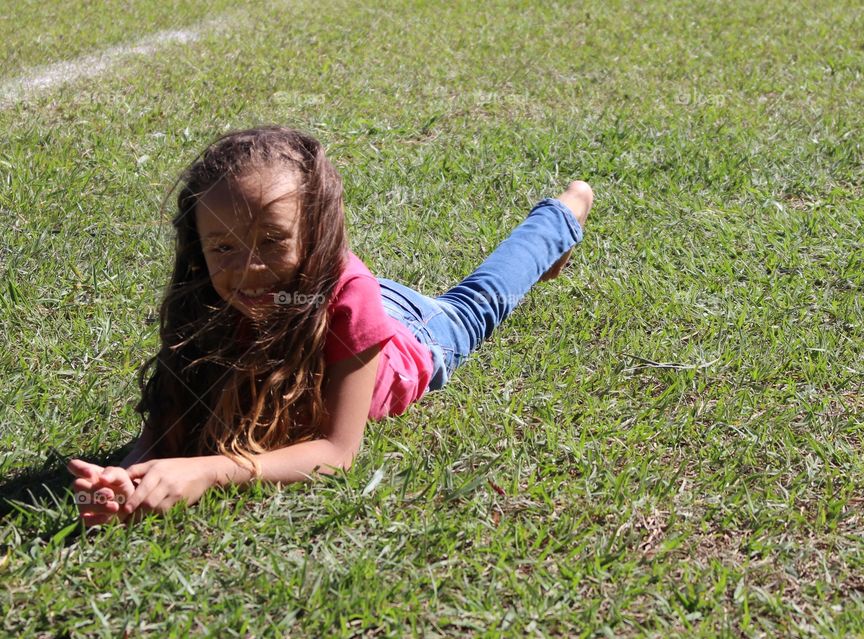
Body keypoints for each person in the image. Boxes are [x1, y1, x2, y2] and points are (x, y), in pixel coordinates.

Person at [68, 125, 593, 525]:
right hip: (311, 291)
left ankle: (565, 212)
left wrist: (209, 469)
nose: (248, 267)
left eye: (272, 240)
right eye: (223, 247)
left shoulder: (347, 299)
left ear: (315, 230)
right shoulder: (204, 294)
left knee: (479, 302)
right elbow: (170, 423)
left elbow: (337, 453)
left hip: (410, 332)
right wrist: (130, 472)